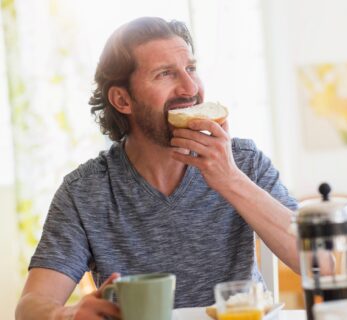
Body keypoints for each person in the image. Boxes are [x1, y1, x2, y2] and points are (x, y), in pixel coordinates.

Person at [15, 16, 299, 320]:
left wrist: (230, 179)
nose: (190, 88)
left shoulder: (242, 160)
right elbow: (30, 306)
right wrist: (67, 315)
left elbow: (321, 261)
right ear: (123, 99)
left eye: (190, 69)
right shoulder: (84, 192)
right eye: (165, 74)